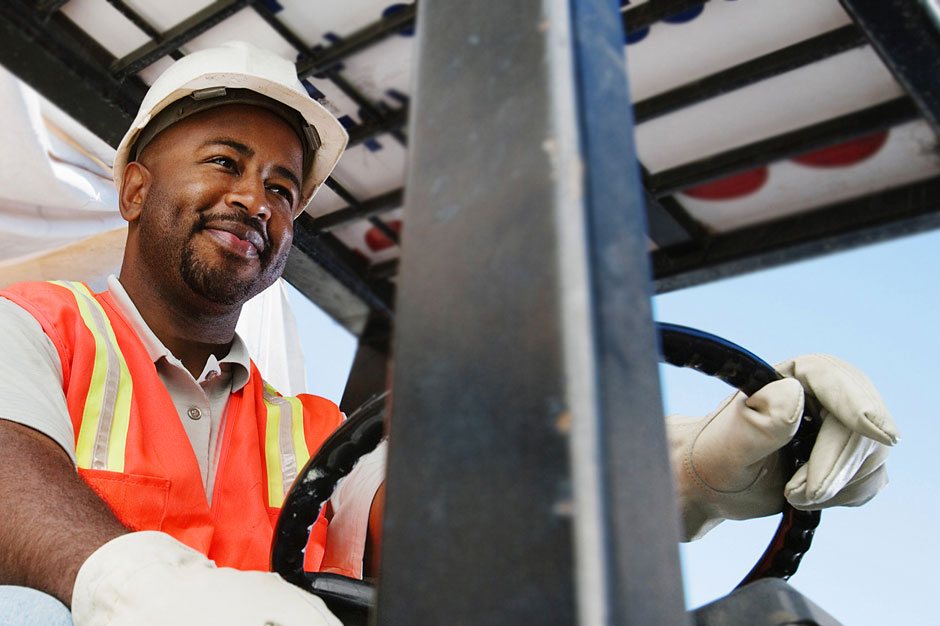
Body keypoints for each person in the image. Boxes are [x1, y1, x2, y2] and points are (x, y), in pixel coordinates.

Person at [0, 41, 899, 626]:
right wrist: (126, 578)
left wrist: (692, 470)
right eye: (225, 164)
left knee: (771, 619)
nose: (256, 199)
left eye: (283, 188)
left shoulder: (315, 435)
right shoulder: (38, 329)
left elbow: (477, 521)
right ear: (134, 191)